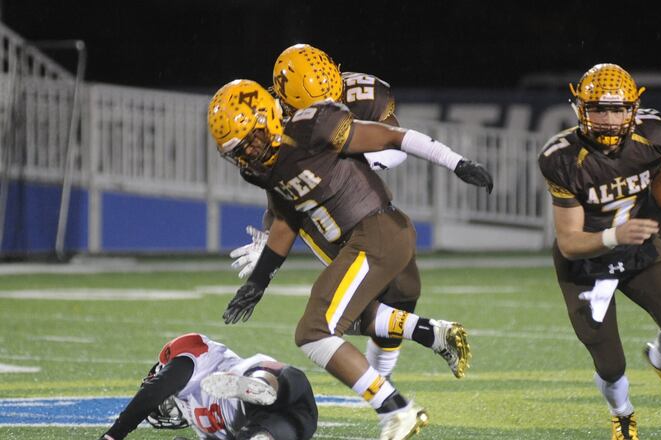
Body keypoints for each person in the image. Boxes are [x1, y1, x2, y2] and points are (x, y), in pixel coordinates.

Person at [208, 79, 492, 440]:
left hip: (376, 232)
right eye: (239, 150)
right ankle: (431, 335)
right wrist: (258, 282)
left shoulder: (312, 126)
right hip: (361, 241)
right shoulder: (259, 167)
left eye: (253, 140)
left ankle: (397, 410)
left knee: (314, 331)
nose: (249, 153)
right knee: (343, 319)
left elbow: (393, 138)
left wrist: (457, 163)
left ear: (268, 118)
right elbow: (286, 220)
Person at [538, 64, 661, 440]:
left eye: (618, 109)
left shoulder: (654, 133)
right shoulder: (562, 158)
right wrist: (616, 234)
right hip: (585, 262)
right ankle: (623, 413)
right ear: (580, 108)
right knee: (610, 364)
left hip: (638, 250)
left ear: (634, 108)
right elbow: (569, 241)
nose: (610, 119)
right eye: (598, 108)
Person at [231, 44, 412, 381]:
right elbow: (283, 199)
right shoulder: (272, 124)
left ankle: (384, 371)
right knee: (356, 295)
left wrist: (365, 157)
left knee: (404, 290)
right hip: (319, 213)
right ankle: (382, 380)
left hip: (363, 201)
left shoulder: (363, 94)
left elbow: (394, 136)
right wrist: (269, 241)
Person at [99, 333, 318, 440]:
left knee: (261, 378)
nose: (163, 407)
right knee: (261, 432)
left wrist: (114, 434)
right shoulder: (201, 426)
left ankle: (256, 387)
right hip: (297, 419)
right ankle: (260, 430)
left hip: (270, 378)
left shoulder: (193, 360)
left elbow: (157, 389)